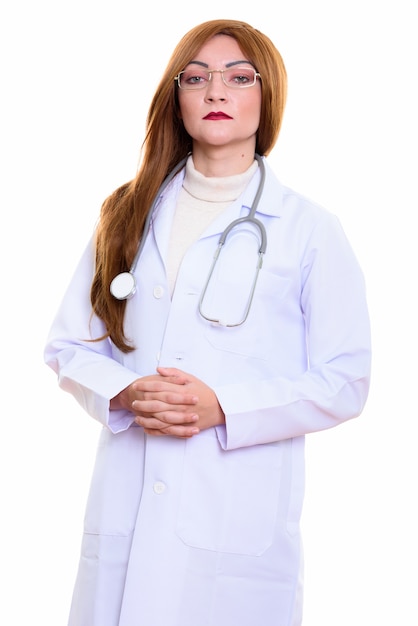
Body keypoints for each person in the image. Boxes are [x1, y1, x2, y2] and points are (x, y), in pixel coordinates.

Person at [44, 18, 371, 626]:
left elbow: (345, 380)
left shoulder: (308, 229)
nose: (216, 92)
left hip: (235, 527)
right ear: (177, 99)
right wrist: (126, 389)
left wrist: (224, 407)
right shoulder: (127, 212)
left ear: (265, 96)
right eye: (196, 78)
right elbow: (69, 344)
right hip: (126, 514)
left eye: (238, 77)